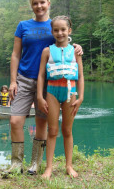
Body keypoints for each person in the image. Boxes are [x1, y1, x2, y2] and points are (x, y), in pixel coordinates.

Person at [2, 0, 82, 178]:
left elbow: (63, 42)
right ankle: (16, 163)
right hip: (23, 78)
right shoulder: (23, 25)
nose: (39, 6)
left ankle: (36, 163)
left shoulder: (54, 25)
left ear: (48, 3)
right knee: (15, 120)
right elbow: (15, 54)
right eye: (35, 3)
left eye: (42, 2)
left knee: (41, 123)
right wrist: (13, 81)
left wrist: (77, 47)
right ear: (31, 5)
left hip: (47, 82)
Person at [37, 15, 84, 179]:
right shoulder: (47, 51)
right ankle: (49, 168)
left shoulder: (76, 51)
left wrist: (81, 97)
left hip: (70, 93)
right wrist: (40, 97)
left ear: (69, 31)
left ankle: (69, 165)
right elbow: (41, 76)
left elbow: (81, 76)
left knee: (67, 130)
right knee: (53, 131)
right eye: (56, 30)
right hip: (52, 92)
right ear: (52, 31)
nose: (60, 33)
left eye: (63, 29)